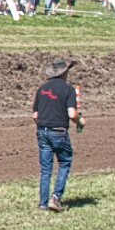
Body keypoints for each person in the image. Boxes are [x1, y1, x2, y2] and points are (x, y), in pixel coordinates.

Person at [33, 57, 82, 212]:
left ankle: (43, 203)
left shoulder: (42, 89)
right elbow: (72, 114)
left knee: (45, 169)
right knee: (64, 163)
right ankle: (55, 198)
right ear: (64, 73)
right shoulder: (68, 89)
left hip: (42, 132)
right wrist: (80, 121)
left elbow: (35, 115)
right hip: (59, 132)